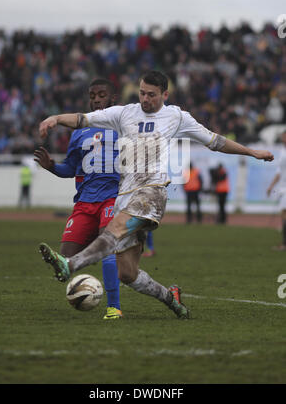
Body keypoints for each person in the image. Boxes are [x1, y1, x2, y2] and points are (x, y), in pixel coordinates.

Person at [37, 70, 274, 320]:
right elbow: (82, 118)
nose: (145, 99)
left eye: (151, 95)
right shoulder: (123, 113)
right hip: (125, 197)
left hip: (151, 193)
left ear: (165, 94)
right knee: (127, 274)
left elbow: (214, 141)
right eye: (142, 93)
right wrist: (55, 118)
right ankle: (170, 298)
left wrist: (251, 152)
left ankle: (69, 264)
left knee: (113, 230)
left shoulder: (176, 116)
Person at [34, 78, 123, 320]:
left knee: (108, 249)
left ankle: (114, 308)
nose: (96, 99)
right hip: (85, 202)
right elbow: (71, 169)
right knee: (65, 262)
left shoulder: (123, 125)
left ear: (112, 99)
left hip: (112, 198)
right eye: (92, 95)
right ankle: (90, 261)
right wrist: (52, 166)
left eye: (101, 94)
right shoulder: (79, 132)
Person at [267, 130, 286, 251]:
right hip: (283, 188)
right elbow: (279, 172)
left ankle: (284, 244)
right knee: (284, 214)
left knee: (284, 214)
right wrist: (271, 186)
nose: (283, 137)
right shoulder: (282, 151)